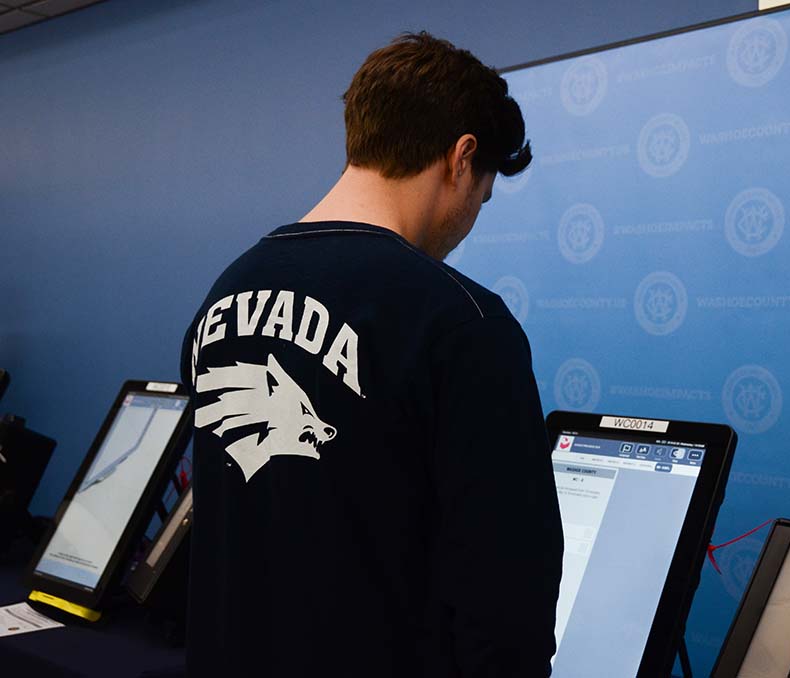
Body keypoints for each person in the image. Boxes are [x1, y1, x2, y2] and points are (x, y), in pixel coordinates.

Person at [180, 32, 563, 678]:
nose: (471, 218)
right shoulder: (461, 323)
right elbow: (505, 606)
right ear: (461, 159)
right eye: (483, 196)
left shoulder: (223, 298)